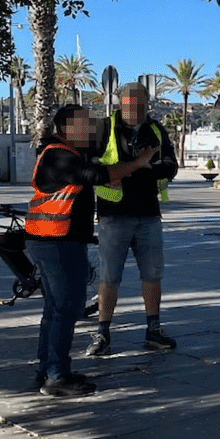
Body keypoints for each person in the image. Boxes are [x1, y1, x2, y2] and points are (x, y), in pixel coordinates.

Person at [26, 105, 155, 397]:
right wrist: (139, 162)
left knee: (54, 310)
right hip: (57, 242)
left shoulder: (63, 154)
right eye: (83, 123)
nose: (90, 128)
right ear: (66, 128)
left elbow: (91, 175)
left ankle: (46, 368)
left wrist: (108, 174)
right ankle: (56, 376)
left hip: (52, 240)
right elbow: (92, 174)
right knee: (66, 309)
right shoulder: (58, 154)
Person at [86, 82, 179, 356]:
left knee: (152, 274)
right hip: (114, 214)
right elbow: (89, 163)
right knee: (109, 276)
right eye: (129, 104)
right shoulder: (104, 129)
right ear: (119, 103)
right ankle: (102, 332)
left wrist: (142, 170)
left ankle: (153, 329)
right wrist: (117, 172)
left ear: (148, 103)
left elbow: (171, 165)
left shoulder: (156, 130)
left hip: (148, 213)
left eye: (140, 104)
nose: (135, 109)